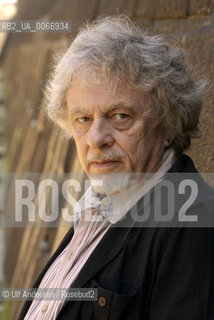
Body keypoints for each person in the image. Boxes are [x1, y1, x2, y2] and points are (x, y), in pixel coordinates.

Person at [19, 16, 214, 319]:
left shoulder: (192, 223)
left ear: (167, 125)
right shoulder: (98, 206)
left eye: (120, 115)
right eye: (82, 119)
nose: (96, 139)